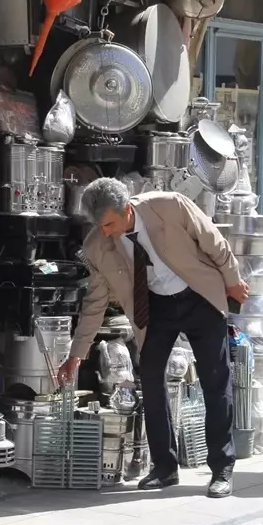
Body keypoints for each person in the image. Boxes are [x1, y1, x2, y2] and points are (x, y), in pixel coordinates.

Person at [56, 178, 249, 498]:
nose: (105, 232)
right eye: (99, 226)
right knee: (150, 378)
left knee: (216, 380)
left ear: (127, 210)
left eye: (109, 224)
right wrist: (77, 353)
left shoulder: (169, 206)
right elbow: (95, 301)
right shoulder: (97, 245)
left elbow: (213, 241)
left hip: (199, 296)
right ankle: (164, 467)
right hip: (155, 307)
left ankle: (221, 467)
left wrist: (233, 281)